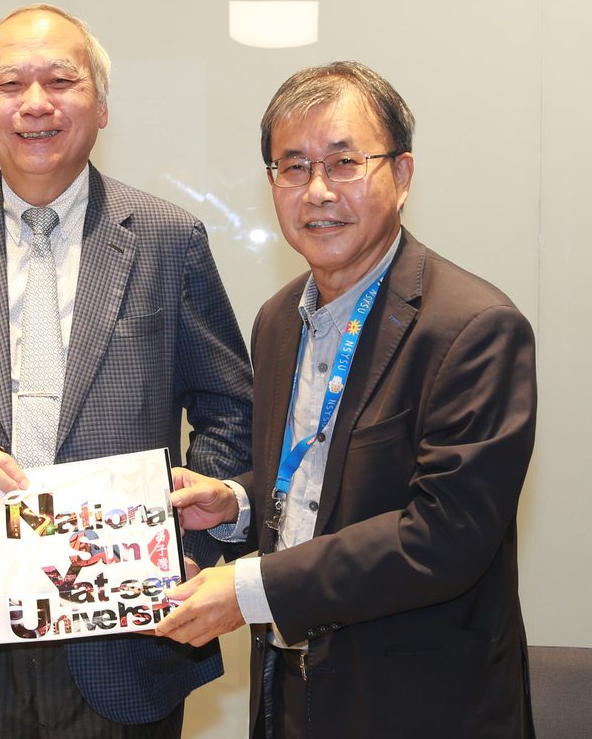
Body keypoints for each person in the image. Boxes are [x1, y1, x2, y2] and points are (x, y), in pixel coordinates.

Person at [0, 4, 253, 739]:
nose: (35, 104)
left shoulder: (167, 239)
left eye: (61, 80)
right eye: (9, 84)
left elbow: (232, 410)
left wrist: (188, 530)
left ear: (99, 105)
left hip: (129, 631)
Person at [156, 61, 538, 738]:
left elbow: (442, 537)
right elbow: (323, 486)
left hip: (418, 706)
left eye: (344, 162)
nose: (318, 191)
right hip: (291, 694)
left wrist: (250, 590)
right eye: (293, 166)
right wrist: (238, 502)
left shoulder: (473, 328)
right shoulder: (279, 319)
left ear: (403, 175)